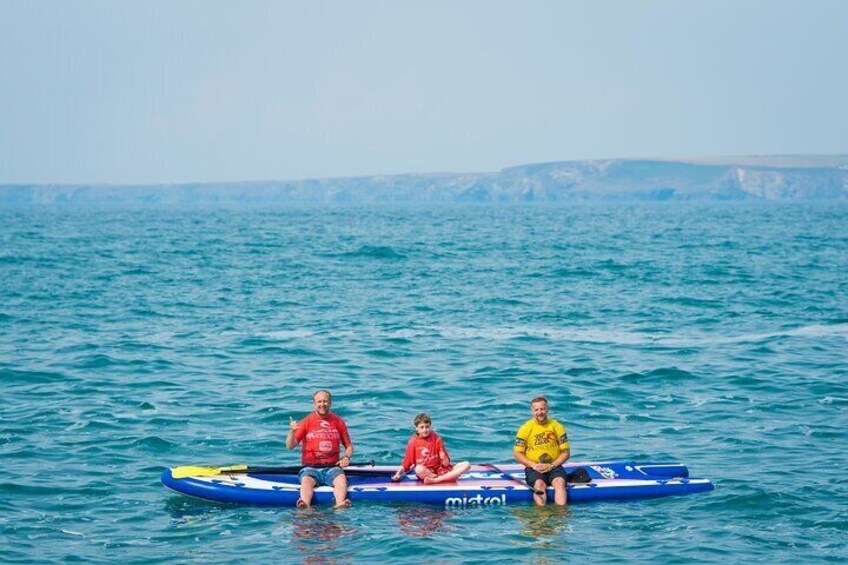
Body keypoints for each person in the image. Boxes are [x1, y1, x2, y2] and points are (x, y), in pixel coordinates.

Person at [286, 389, 354, 509]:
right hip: (310, 468)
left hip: (332, 467)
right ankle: (305, 504)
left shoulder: (338, 422)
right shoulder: (306, 422)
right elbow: (290, 446)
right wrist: (292, 431)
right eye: (319, 401)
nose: (322, 404)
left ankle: (339, 504)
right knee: (306, 481)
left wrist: (346, 457)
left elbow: (349, 447)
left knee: (341, 479)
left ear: (330, 403)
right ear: (314, 403)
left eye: (325, 401)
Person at [513, 396, 570, 506]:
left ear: (547, 409)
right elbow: (517, 454)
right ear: (532, 411)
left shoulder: (557, 427)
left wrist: (552, 466)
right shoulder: (525, 428)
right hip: (534, 468)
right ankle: (541, 516)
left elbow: (566, 453)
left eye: (542, 409)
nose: (540, 412)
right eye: (537, 410)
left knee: (559, 482)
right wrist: (533, 465)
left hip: (555, 466)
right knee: (539, 484)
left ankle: (561, 516)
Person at [391, 413, 470, 484]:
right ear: (416, 428)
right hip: (427, 473)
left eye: (427, 427)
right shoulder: (412, 442)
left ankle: (437, 480)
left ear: (430, 427)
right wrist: (397, 474)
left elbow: (446, 464)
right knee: (418, 469)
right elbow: (406, 465)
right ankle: (445, 478)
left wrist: (443, 456)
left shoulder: (436, 438)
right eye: (422, 427)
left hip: (441, 470)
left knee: (466, 464)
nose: (425, 430)